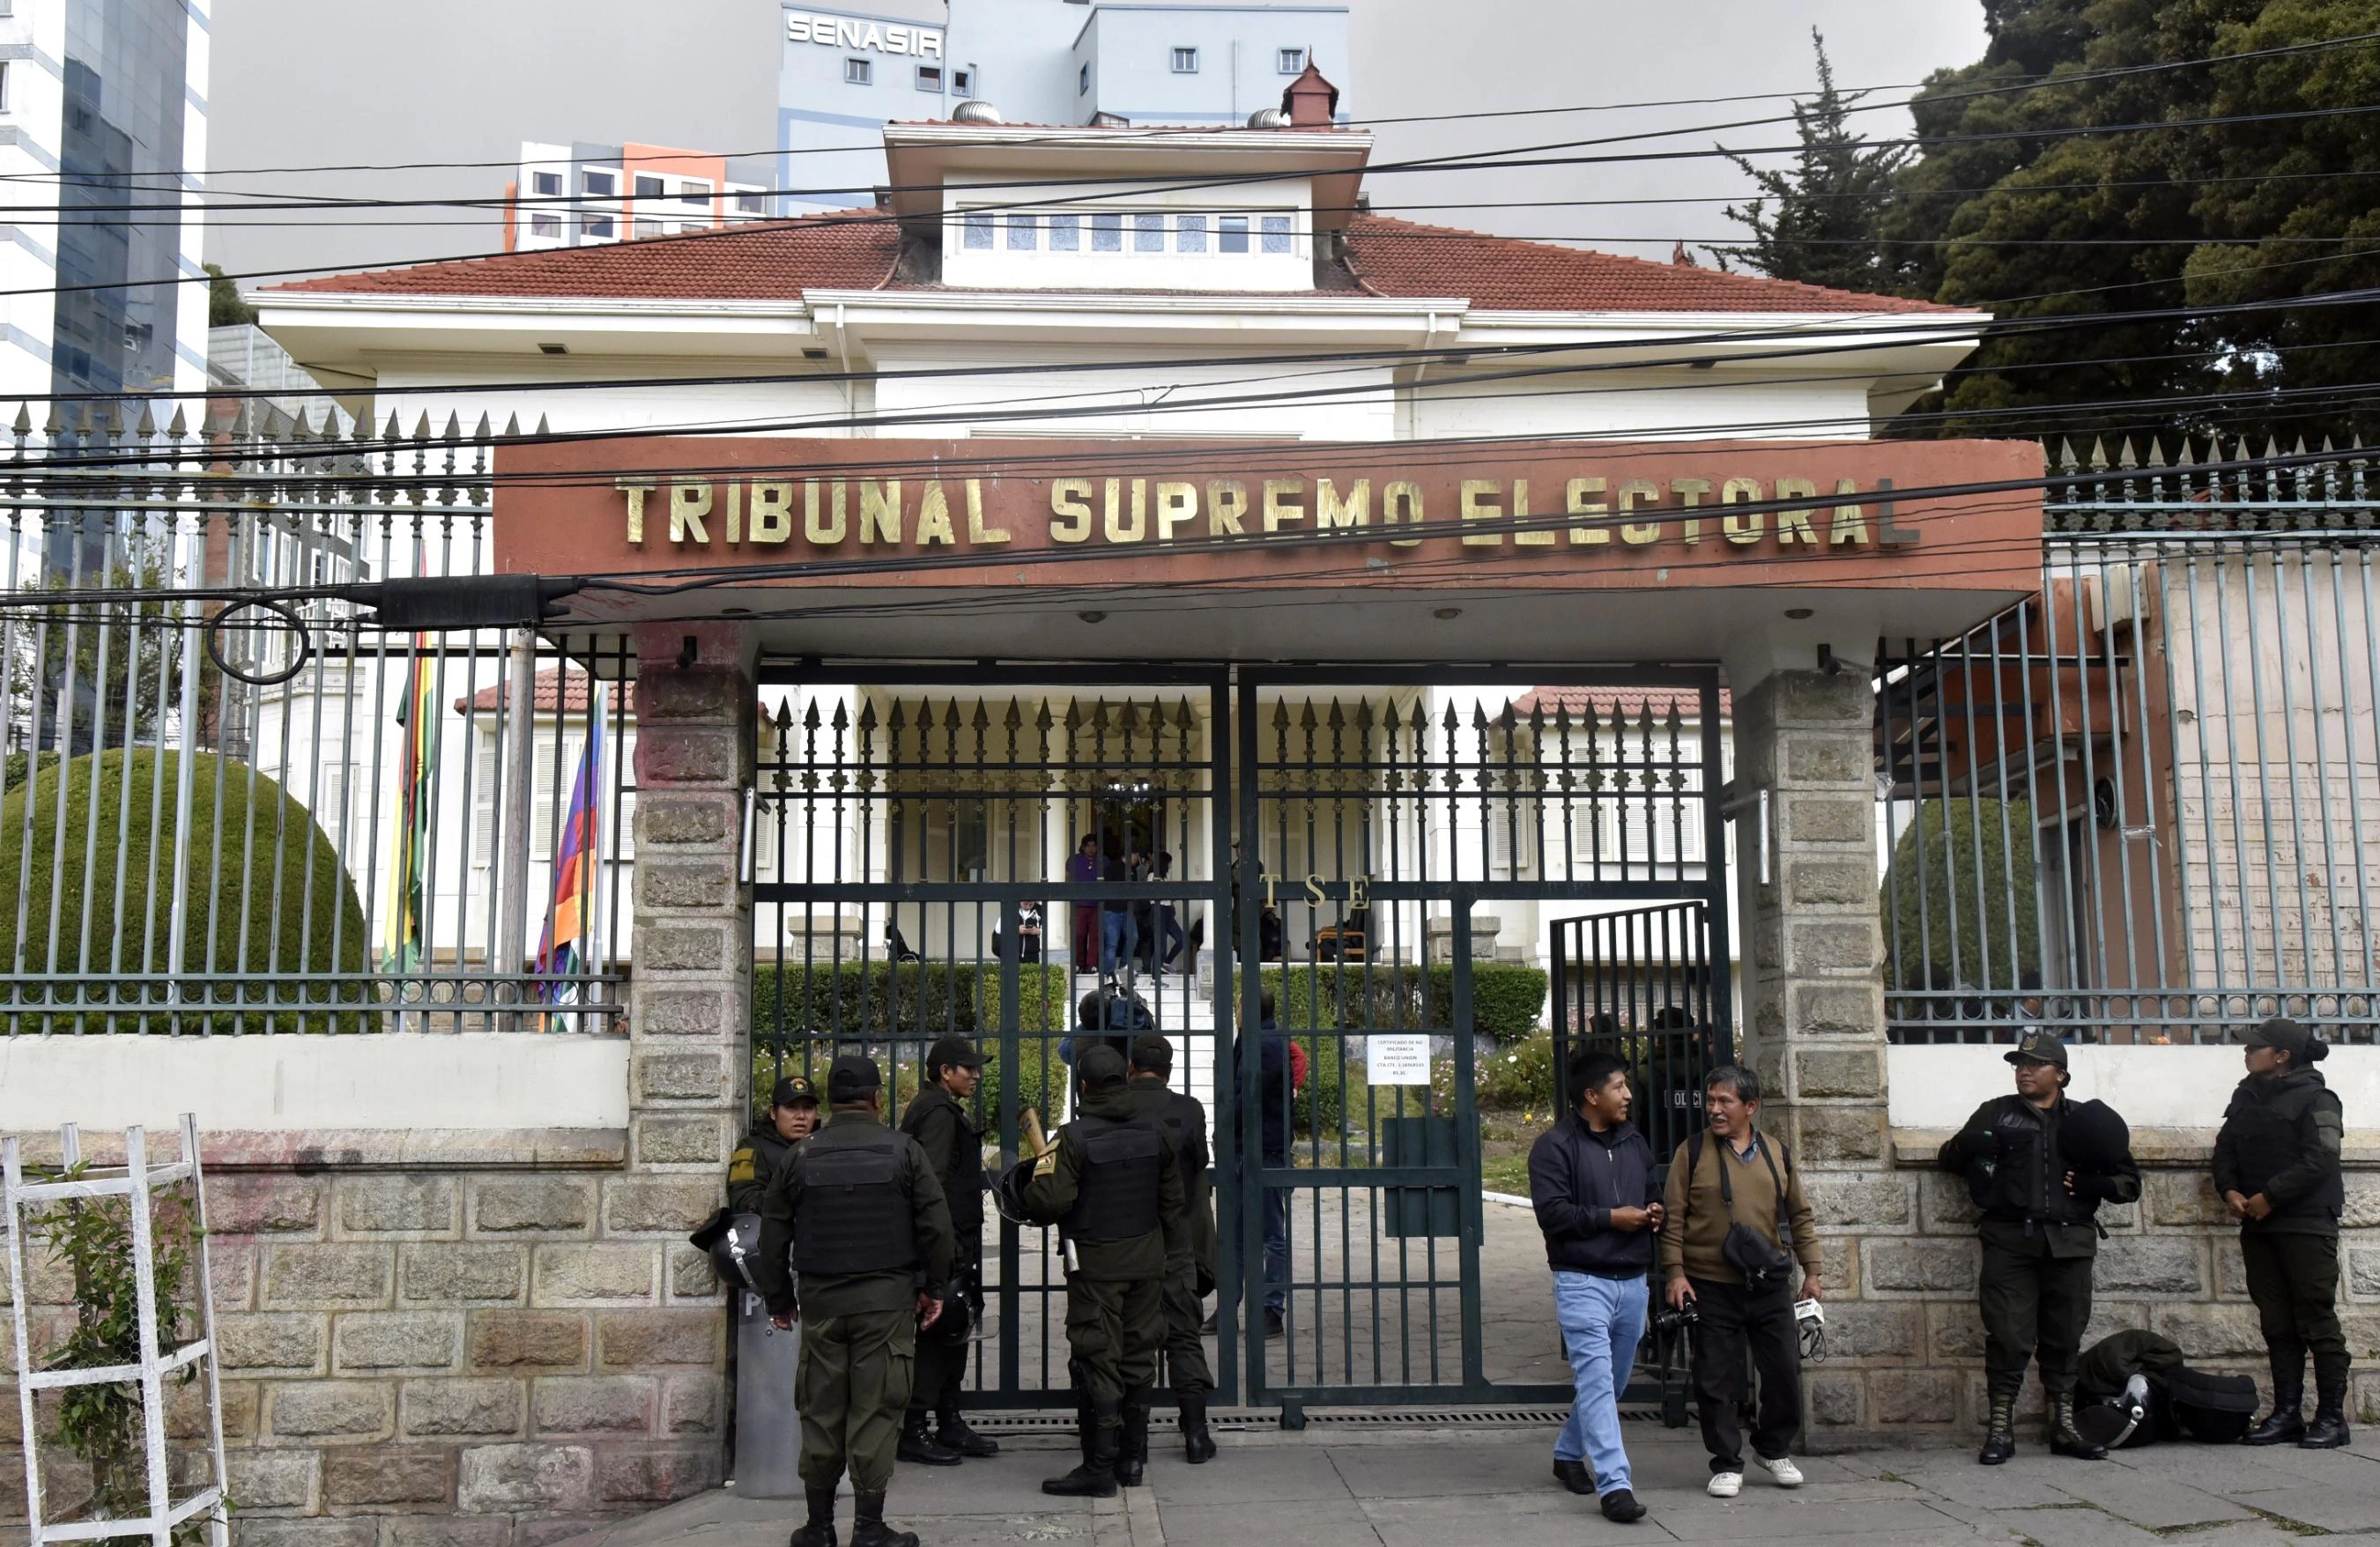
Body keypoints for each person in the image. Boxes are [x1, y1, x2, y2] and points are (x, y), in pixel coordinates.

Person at [753, 1055, 955, 1547]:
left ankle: (819, 1528)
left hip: (822, 1306)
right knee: (876, 1411)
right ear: (878, 1099)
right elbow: (938, 1229)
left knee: (821, 1412)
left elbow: (773, 1234)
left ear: (829, 1102)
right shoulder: (904, 1151)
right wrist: (934, 1288)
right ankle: (869, 1528)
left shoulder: (801, 1156)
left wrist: (779, 1299)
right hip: (885, 1307)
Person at [1937, 1029, 2140, 1466]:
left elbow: (2129, 1183)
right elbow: (1950, 1159)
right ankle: (1999, 1430)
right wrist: (1969, 1145)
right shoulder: (1995, 1113)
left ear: (2061, 1075)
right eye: (2018, 1065)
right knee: (2008, 1336)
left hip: (2070, 1244)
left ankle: (2064, 1427)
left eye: (2034, 1065)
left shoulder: (2086, 1121)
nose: (2024, 1071)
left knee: (2064, 1337)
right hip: (2010, 1240)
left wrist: (2095, 1184)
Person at [1018, 1043, 1186, 1496]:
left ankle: (1099, 1467)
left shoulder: (1071, 1139)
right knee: (1138, 1357)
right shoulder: (1156, 1133)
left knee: (1098, 1357)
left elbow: (1050, 1202)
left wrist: (1035, 1178)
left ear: (1084, 1086)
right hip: (1147, 1262)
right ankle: (1132, 1459)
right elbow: (1173, 1205)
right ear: (1126, 1078)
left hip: (1095, 1265)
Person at [1660, 1064, 1819, 1500]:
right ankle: (1727, 1462)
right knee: (1715, 1378)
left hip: (1768, 1282)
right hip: (1710, 1283)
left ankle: (1772, 1447)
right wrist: (1675, 1272)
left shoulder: (1776, 1152)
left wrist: (1814, 1271)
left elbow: (1800, 1214)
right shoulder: (1690, 1153)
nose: (1714, 1109)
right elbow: (1673, 1217)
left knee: (1784, 1371)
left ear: (1751, 1106)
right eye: (1710, 1100)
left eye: (1724, 1101)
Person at [1528, 1049, 1658, 1525]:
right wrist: (1612, 1218)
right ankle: (1615, 1484)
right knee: (1597, 1381)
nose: (1628, 1094)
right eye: (1619, 1086)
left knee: (1614, 1382)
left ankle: (1567, 1453)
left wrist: (1653, 1212)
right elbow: (1553, 1215)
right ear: (1590, 1095)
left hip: (1633, 1281)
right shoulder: (1553, 1147)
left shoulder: (1634, 1141)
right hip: (1582, 1280)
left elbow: (1651, 1192)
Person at [2214, 1016, 2350, 1448]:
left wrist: (2270, 1196)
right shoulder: (2245, 1094)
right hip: (2260, 1225)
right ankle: (2287, 1414)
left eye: (2255, 1047)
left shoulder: (2318, 1098)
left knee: (2316, 1320)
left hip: (2306, 1224)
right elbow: (2226, 1147)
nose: (2246, 1052)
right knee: (2276, 1323)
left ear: (2282, 1056)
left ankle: (2331, 1418)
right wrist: (2229, 1188)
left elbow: (2321, 1160)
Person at [897, 1037, 999, 1467]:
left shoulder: (938, 1108)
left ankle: (949, 1420)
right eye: (967, 1068)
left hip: (954, 1238)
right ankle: (916, 1427)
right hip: (946, 1242)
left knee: (954, 1331)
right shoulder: (937, 1114)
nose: (975, 1075)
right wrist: (938, 1252)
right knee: (939, 1333)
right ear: (945, 1072)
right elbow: (931, 1187)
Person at [1124, 1033, 1219, 1463]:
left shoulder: (1116, 1106)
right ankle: (1196, 1432)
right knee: (1183, 1333)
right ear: (1169, 1071)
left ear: (1131, 1068)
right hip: (1176, 1236)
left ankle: (1135, 1437)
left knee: (1133, 1337)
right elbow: (1198, 1164)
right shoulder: (1189, 1110)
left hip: (1128, 1237)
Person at [729, 1074, 819, 1212]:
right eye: (791, 1107)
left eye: (808, 1108)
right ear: (773, 1112)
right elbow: (744, 1201)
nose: (801, 1116)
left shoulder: (824, 1145)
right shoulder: (752, 1148)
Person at [1099, 837, 1138, 980]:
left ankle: (1124, 965)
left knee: (1133, 937)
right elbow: (1107, 888)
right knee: (1112, 943)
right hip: (1111, 911)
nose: (1137, 858)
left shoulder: (1133, 870)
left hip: (1127, 910)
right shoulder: (1112, 867)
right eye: (1136, 855)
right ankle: (1108, 972)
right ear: (1130, 855)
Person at [1151, 852, 1189, 975]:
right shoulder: (1152, 876)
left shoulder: (1165, 877)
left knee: (1182, 939)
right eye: (1169, 863)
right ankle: (1155, 975)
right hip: (1158, 910)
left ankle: (1165, 963)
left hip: (1167, 911)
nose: (1170, 866)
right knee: (1160, 945)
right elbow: (1154, 895)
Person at [1067, 835, 1100, 974]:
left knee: (1095, 935)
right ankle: (1079, 963)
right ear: (1083, 846)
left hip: (1096, 904)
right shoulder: (1075, 860)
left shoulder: (1102, 860)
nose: (1091, 849)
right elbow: (1067, 877)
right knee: (1078, 934)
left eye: (1094, 846)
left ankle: (1092, 964)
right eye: (1088, 846)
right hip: (1079, 903)